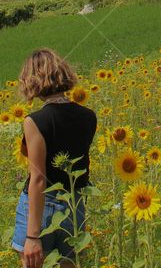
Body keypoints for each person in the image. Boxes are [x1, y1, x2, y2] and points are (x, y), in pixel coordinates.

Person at [11, 48, 98, 268]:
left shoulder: (35, 121)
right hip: (74, 204)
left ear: (32, 81)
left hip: (42, 207)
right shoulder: (89, 117)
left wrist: (32, 237)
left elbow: (38, 178)